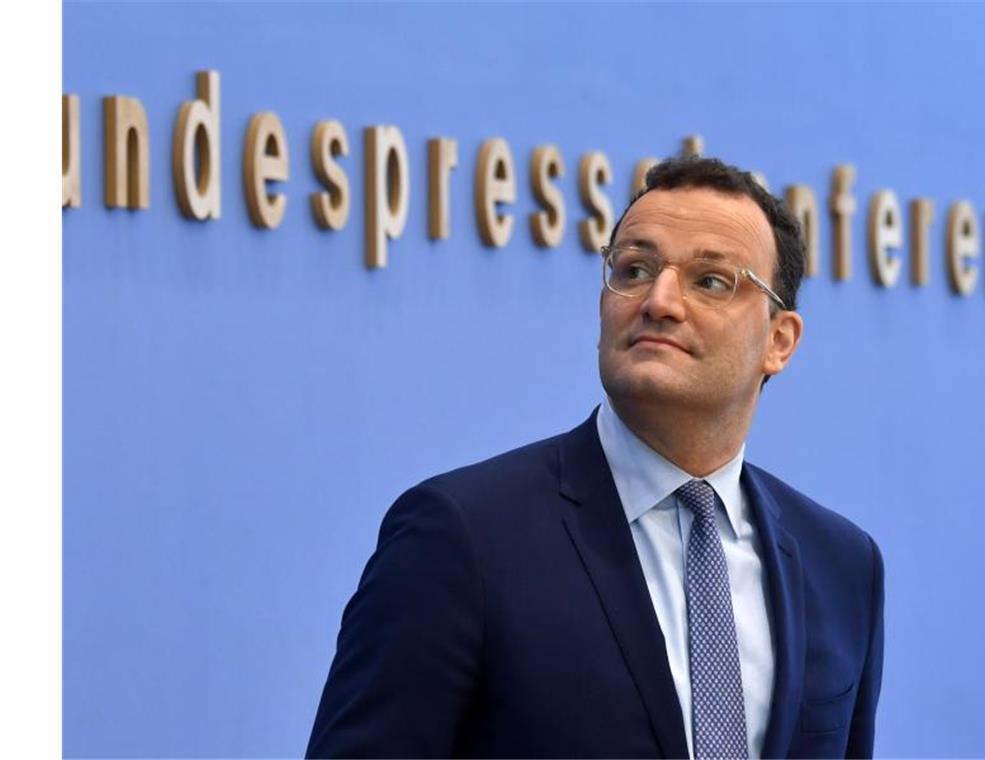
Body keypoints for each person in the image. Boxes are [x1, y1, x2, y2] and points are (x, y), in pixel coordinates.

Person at [306, 156, 885, 759]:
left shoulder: (842, 565)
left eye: (710, 281)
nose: (660, 301)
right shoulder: (462, 536)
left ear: (779, 341)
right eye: (634, 269)